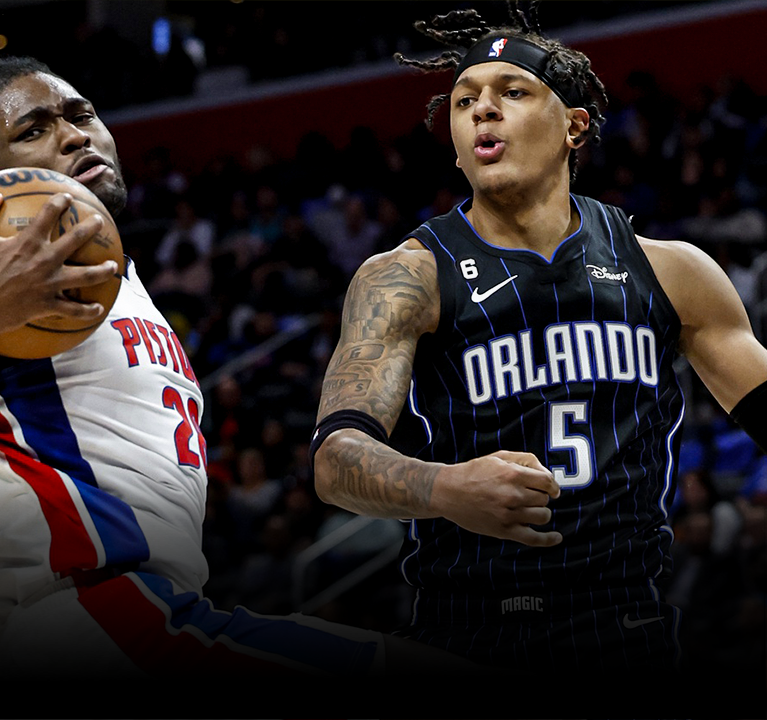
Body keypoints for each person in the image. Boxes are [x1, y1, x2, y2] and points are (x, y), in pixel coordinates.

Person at [0, 41, 475, 709]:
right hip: (110, 621)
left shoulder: (100, 288)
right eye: (34, 129)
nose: (73, 136)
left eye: (80, 114)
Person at [310, 1, 767, 712]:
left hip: (628, 631)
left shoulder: (672, 272)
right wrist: (446, 489)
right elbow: (336, 461)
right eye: (465, 102)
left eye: (511, 93)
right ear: (456, 143)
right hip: (468, 632)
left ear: (574, 126)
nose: (482, 111)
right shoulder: (405, 276)